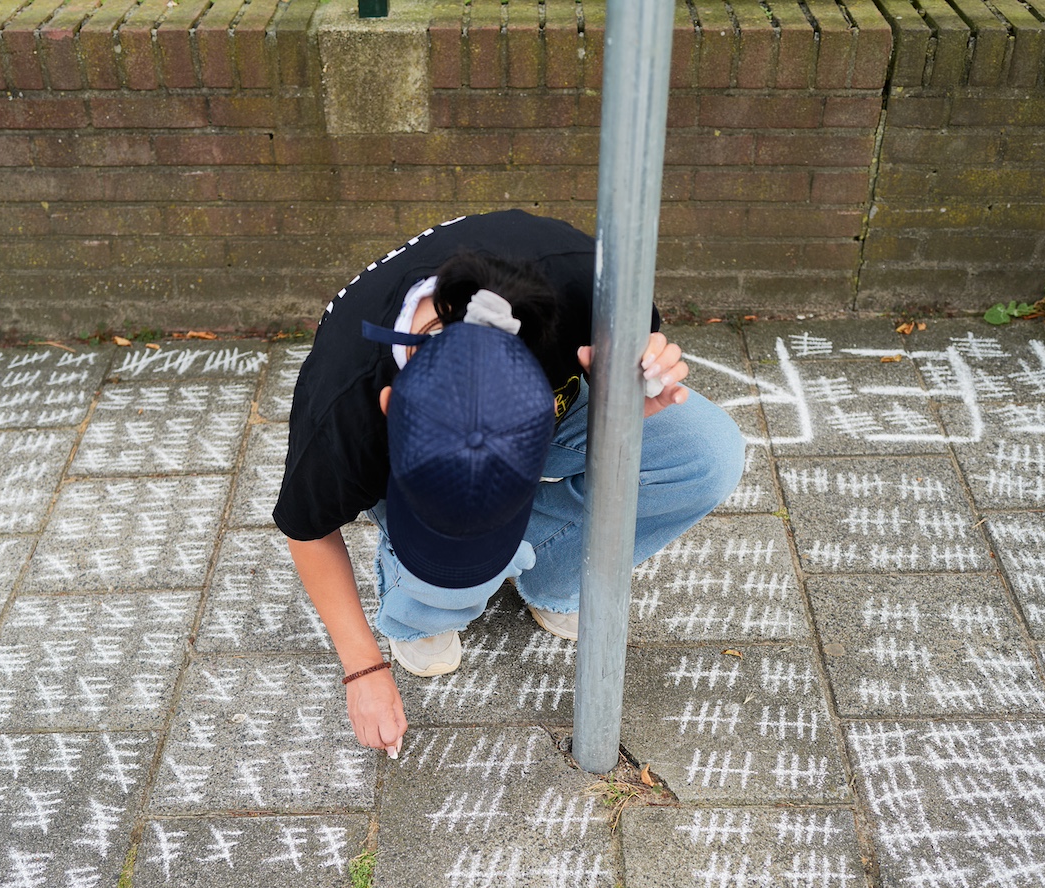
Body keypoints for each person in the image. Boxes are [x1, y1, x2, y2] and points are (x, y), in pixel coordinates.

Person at [272, 210, 745, 757]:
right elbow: (307, 531)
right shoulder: (342, 409)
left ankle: (545, 571)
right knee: (451, 573)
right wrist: (362, 668)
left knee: (705, 455)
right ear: (388, 405)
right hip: (436, 431)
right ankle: (418, 604)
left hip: (541, 387)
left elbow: (635, 369)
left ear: (544, 412)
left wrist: (630, 396)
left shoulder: (582, 283)